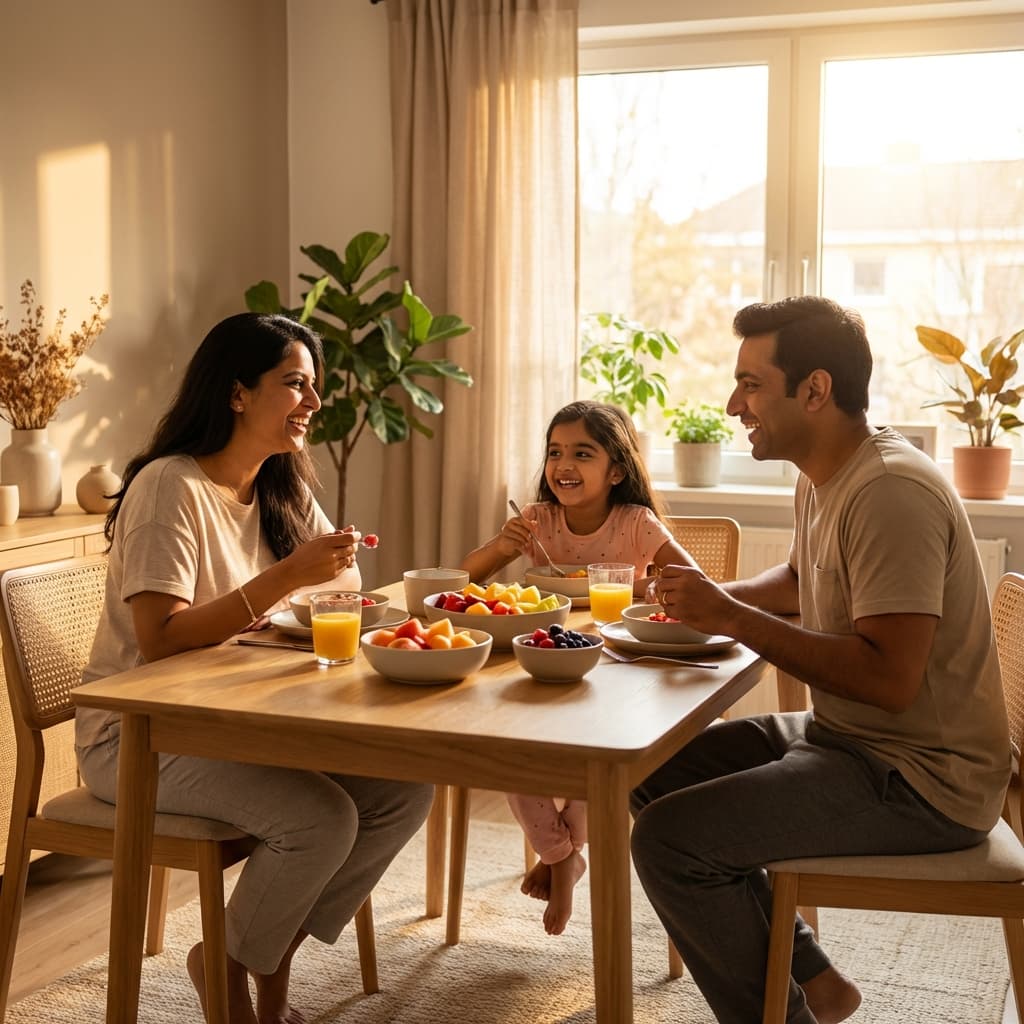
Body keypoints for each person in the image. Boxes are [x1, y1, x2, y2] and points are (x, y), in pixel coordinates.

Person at [630, 296, 1012, 1024]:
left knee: (671, 841)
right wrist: (708, 598)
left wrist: (728, 617)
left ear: (815, 390)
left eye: (751, 385)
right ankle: (814, 980)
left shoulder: (890, 492)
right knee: (652, 767)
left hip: (923, 778)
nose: (733, 405)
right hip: (852, 741)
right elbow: (800, 581)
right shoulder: (824, 473)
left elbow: (889, 680)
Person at [75, 313, 434, 1024]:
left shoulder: (279, 482)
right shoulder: (169, 487)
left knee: (403, 789)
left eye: (314, 385)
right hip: (139, 738)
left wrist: (325, 567)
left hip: (237, 718)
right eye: (295, 383)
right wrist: (288, 577)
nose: (314, 401)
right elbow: (160, 640)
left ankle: (249, 959)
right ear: (237, 393)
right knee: (321, 820)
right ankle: (234, 968)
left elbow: (341, 589)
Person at [461, 399, 698, 936]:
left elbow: (691, 581)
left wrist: (637, 584)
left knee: (604, 755)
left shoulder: (636, 523)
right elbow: (464, 577)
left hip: (617, 668)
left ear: (616, 470)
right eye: (555, 453)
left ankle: (561, 855)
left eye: (582, 454)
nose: (563, 465)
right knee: (506, 746)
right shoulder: (538, 520)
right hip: (544, 662)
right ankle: (561, 853)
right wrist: (501, 546)